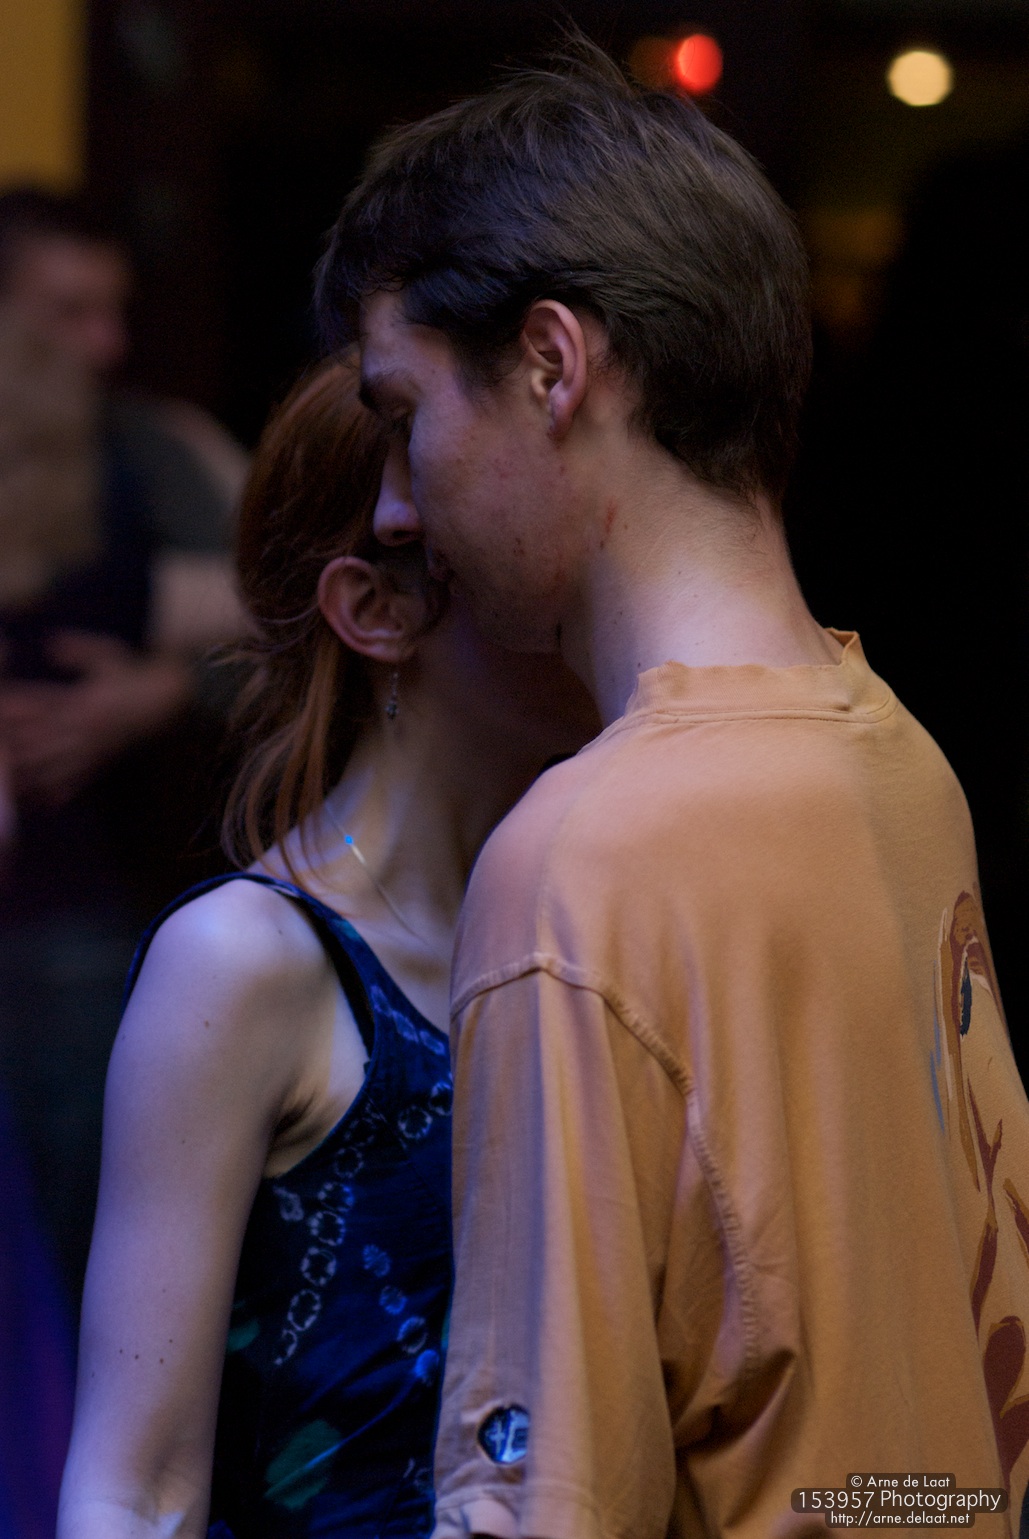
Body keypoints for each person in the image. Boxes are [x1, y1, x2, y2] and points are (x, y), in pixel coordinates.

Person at [316, 40, 1029, 1538]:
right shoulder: (900, 757)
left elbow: (543, 1505)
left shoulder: (588, 858)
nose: (392, 503)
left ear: (551, 364)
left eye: (401, 413)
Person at [57, 356, 597, 1539]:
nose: (597, 585)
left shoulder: (592, 928)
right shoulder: (244, 958)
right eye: (534, 536)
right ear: (378, 609)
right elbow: (131, 1494)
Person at [0, 187, 249, 1302]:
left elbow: (309, 610)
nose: (104, 344)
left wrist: (160, 693)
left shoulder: (150, 454)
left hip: (79, 927)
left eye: (115, 311)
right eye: (68, 312)